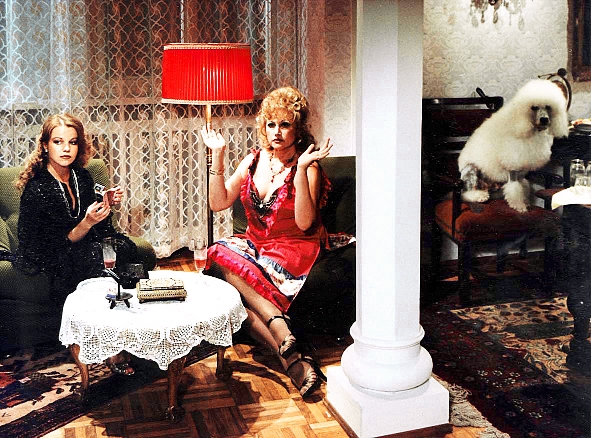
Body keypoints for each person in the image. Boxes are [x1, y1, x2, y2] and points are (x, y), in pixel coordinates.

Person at [201, 86, 332, 398]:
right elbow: (218, 202)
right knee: (217, 255)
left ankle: (279, 330)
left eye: (285, 124)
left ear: (298, 129)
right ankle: (291, 357)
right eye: (271, 124)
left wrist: (301, 170)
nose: (277, 132)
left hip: (294, 246)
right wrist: (217, 156)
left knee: (230, 281)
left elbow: (305, 223)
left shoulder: (308, 166)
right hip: (257, 244)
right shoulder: (253, 160)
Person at [14, 113, 136, 376]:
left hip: (83, 244)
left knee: (124, 250)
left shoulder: (82, 176)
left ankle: (128, 331)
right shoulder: (38, 188)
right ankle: (112, 347)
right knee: (97, 260)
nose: (66, 149)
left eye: (72, 142)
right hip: (48, 253)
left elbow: (99, 227)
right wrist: (87, 223)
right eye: (58, 142)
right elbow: (54, 242)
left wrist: (104, 204)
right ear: (45, 145)